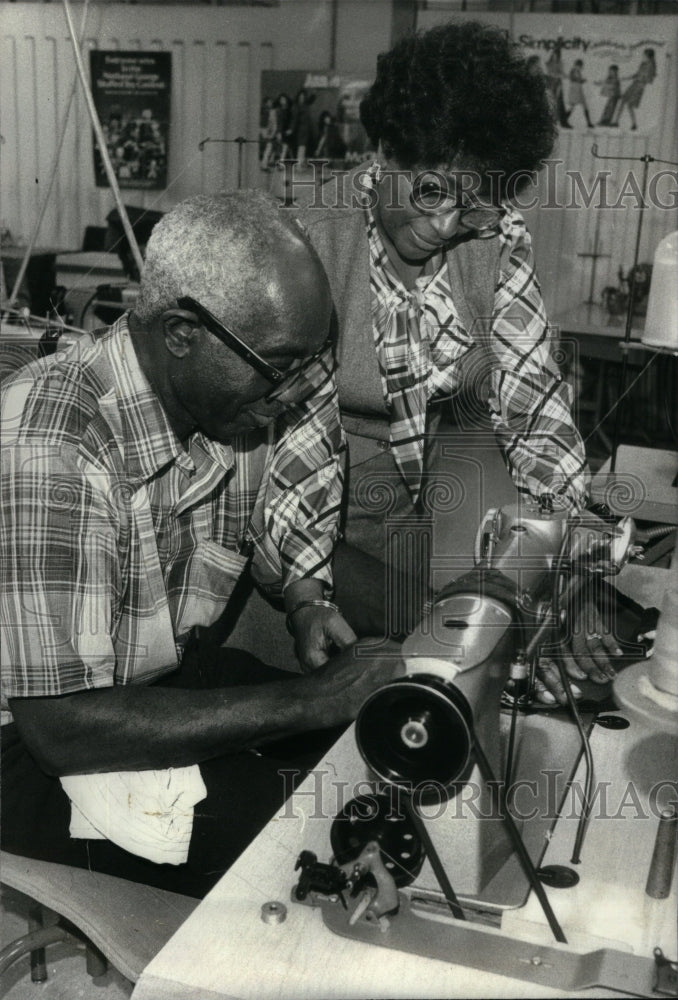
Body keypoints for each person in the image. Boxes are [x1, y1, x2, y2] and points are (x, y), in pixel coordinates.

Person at [0, 191, 401, 898]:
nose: (298, 392)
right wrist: (315, 700)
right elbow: (61, 728)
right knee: (310, 846)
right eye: (282, 366)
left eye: (314, 365)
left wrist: (309, 606)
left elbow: (281, 536)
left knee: (376, 746)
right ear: (182, 330)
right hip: (35, 748)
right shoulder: (56, 439)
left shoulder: (233, 406)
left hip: (157, 683)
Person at [289, 22, 619, 705]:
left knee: (431, 681)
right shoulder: (308, 246)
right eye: (431, 192)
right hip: (301, 544)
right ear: (387, 150)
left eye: (472, 206)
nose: (445, 226)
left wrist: (567, 567)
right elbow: (291, 466)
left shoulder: (495, 239)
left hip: (402, 528)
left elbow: (536, 410)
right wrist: (306, 592)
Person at [611, 49, 657, 130]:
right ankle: (616, 122)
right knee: (623, 100)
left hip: (639, 86)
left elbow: (648, 79)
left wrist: (641, 78)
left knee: (630, 105)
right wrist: (626, 78)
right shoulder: (643, 64)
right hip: (634, 84)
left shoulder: (651, 66)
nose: (643, 57)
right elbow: (637, 74)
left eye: (644, 55)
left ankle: (634, 124)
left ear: (649, 57)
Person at [567, 59, 593, 128]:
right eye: (580, 66)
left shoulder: (576, 71)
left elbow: (576, 79)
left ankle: (589, 123)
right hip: (575, 90)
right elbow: (574, 79)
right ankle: (564, 120)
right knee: (572, 106)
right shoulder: (574, 71)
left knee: (583, 106)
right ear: (577, 65)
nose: (581, 67)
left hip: (578, 90)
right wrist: (582, 80)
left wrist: (581, 80)